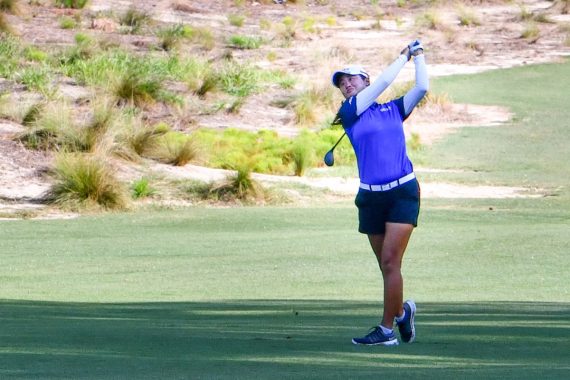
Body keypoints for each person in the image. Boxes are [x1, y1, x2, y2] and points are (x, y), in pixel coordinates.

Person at [331, 40, 428, 346]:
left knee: (390, 261)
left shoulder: (393, 110)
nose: (346, 84)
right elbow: (386, 81)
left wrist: (419, 56)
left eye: (351, 78)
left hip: (402, 192)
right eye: (341, 82)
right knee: (387, 266)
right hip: (370, 197)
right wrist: (403, 56)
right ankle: (402, 312)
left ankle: (386, 331)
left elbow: (422, 87)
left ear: (365, 81)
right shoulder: (350, 111)